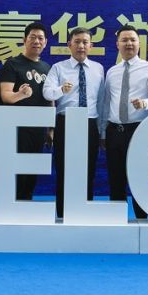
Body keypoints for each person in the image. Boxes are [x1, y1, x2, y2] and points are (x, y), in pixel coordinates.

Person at [97, 25, 148, 220]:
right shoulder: (112, 72)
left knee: (139, 178)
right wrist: (103, 132)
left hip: (138, 130)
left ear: (139, 43)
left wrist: (145, 103)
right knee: (115, 178)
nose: (129, 43)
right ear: (117, 44)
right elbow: (106, 103)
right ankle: (116, 220)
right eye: (124, 40)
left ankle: (142, 220)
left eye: (133, 40)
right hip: (114, 131)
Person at [43, 27, 104, 219]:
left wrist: (101, 131)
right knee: (64, 169)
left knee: (89, 169)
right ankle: (62, 213)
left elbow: (101, 101)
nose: (81, 46)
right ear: (69, 44)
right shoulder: (58, 68)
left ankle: (86, 212)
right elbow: (47, 93)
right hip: (66, 122)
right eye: (77, 42)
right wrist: (61, 90)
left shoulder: (98, 68)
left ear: (91, 46)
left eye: (85, 42)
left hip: (89, 122)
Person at [0, 22, 53, 201]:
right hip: (17, 128)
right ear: (24, 40)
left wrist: (51, 128)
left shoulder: (46, 67)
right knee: (16, 171)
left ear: (45, 42)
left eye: (40, 38)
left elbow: (50, 98)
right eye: (32, 37)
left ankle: (26, 203)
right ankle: (12, 205)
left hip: (39, 128)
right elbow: (6, 96)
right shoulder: (12, 64)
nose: (37, 41)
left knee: (33, 169)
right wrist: (20, 94)